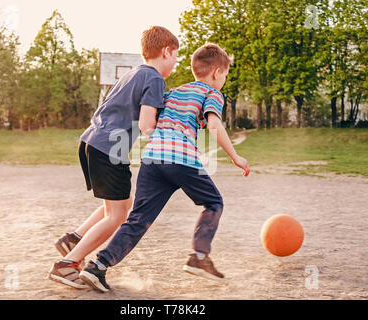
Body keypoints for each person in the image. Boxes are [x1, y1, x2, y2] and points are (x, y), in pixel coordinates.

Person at [78, 43, 250, 292]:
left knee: (138, 219)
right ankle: (199, 257)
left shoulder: (174, 92)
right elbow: (214, 126)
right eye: (225, 75)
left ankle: (98, 266)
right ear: (216, 74)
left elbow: (155, 120)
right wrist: (235, 156)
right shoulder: (212, 93)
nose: (223, 80)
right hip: (180, 160)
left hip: (152, 160)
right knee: (214, 203)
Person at [48, 26, 179, 289]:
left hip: (91, 142)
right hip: (110, 149)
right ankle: (66, 265)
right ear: (166, 51)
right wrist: (167, 144)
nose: (175, 62)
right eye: (175, 55)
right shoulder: (154, 78)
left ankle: (74, 239)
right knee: (118, 215)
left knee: (119, 204)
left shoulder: (132, 74)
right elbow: (145, 124)